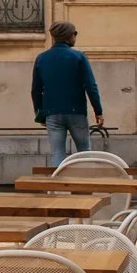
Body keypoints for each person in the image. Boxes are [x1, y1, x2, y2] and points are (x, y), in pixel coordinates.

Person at [31, 19, 107, 166]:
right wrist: (98, 111)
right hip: (76, 111)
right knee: (84, 151)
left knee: (57, 154)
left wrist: (39, 114)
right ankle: (84, 186)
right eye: (74, 34)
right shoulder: (78, 57)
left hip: (52, 113)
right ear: (69, 36)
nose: (75, 37)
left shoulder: (41, 58)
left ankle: (57, 187)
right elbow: (91, 86)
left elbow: (36, 90)